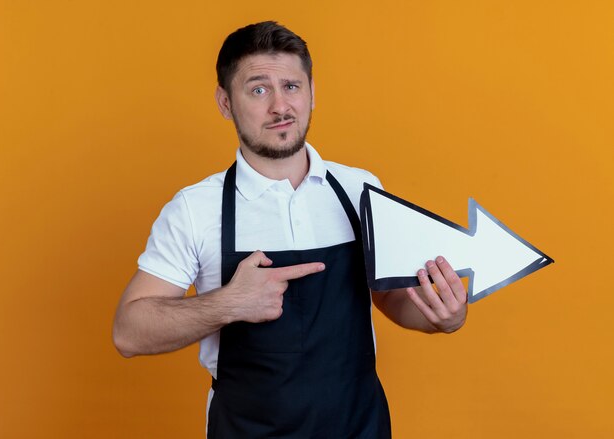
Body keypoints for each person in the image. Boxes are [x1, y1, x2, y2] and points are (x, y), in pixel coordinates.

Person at [112, 21, 467, 438]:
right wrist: (230, 303)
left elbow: (388, 297)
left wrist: (444, 316)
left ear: (312, 92)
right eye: (259, 89)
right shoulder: (195, 208)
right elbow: (129, 332)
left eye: (292, 87)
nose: (280, 107)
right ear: (225, 102)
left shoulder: (359, 189)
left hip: (360, 427)